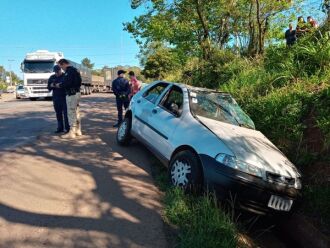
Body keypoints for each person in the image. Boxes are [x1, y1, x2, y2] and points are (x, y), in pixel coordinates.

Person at [56, 59, 82, 139]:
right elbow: (79, 82)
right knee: (76, 112)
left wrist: (59, 85)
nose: (61, 69)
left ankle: (72, 132)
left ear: (63, 64)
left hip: (72, 94)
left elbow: (67, 83)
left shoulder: (69, 71)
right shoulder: (75, 70)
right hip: (77, 93)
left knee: (71, 112)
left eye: (61, 66)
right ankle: (78, 130)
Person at [47, 65, 70, 133]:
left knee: (66, 114)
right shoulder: (52, 77)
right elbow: (48, 87)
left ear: (60, 70)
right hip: (56, 98)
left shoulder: (65, 76)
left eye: (57, 72)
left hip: (64, 98)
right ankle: (60, 128)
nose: (56, 73)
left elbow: (66, 85)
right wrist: (53, 85)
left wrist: (59, 85)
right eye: (55, 72)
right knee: (58, 114)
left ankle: (67, 129)